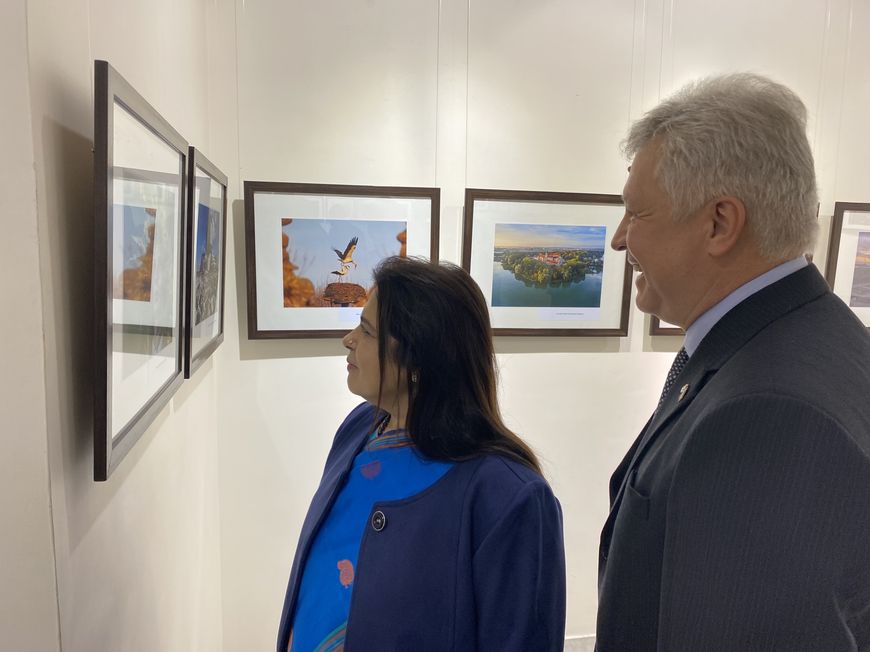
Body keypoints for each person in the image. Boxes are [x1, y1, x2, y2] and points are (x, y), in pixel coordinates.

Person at [597, 73, 870, 651]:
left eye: (636, 214)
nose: (619, 240)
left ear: (720, 223)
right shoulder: (813, 338)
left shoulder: (767, 412)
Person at [277, 257, 566, 651]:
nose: (348, 339)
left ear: (418, 356)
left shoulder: (507, 495)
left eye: (367, 330)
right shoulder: (358, 429)